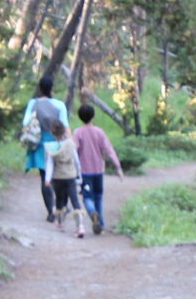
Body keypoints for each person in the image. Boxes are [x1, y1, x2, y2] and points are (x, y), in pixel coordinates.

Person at [73, 103, 124, 235]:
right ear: (93, 116)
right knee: (99, 197)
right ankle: (100, 224)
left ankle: (92, 212)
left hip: (85, 172)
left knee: (87, 198)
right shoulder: (99, 132)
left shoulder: (78, 133)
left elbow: (74, 151)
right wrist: (117, 167)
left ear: (80, 117)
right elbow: (109, 150)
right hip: (99, 171)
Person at [23, 76, 69, 222]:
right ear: (52, 89)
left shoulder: (33, 103)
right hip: (56, 142)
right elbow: (64, 125)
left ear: (40, 88)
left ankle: (51, 211)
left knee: (44, 177)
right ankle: (61, 205)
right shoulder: (59, 105)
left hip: (39, 143)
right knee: (57, 176)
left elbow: (25, 122)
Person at [44, 121, 86, 238]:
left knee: (60, 200)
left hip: (58, 177)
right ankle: (80, 226)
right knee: (74, 200)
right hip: (70, 176)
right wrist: (79, 175)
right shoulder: (70, 145)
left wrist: (47, 179)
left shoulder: (51, 147)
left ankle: (60, 223)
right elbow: (77, 162)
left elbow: (50, 164)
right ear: (64, 132)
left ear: (53, 134)